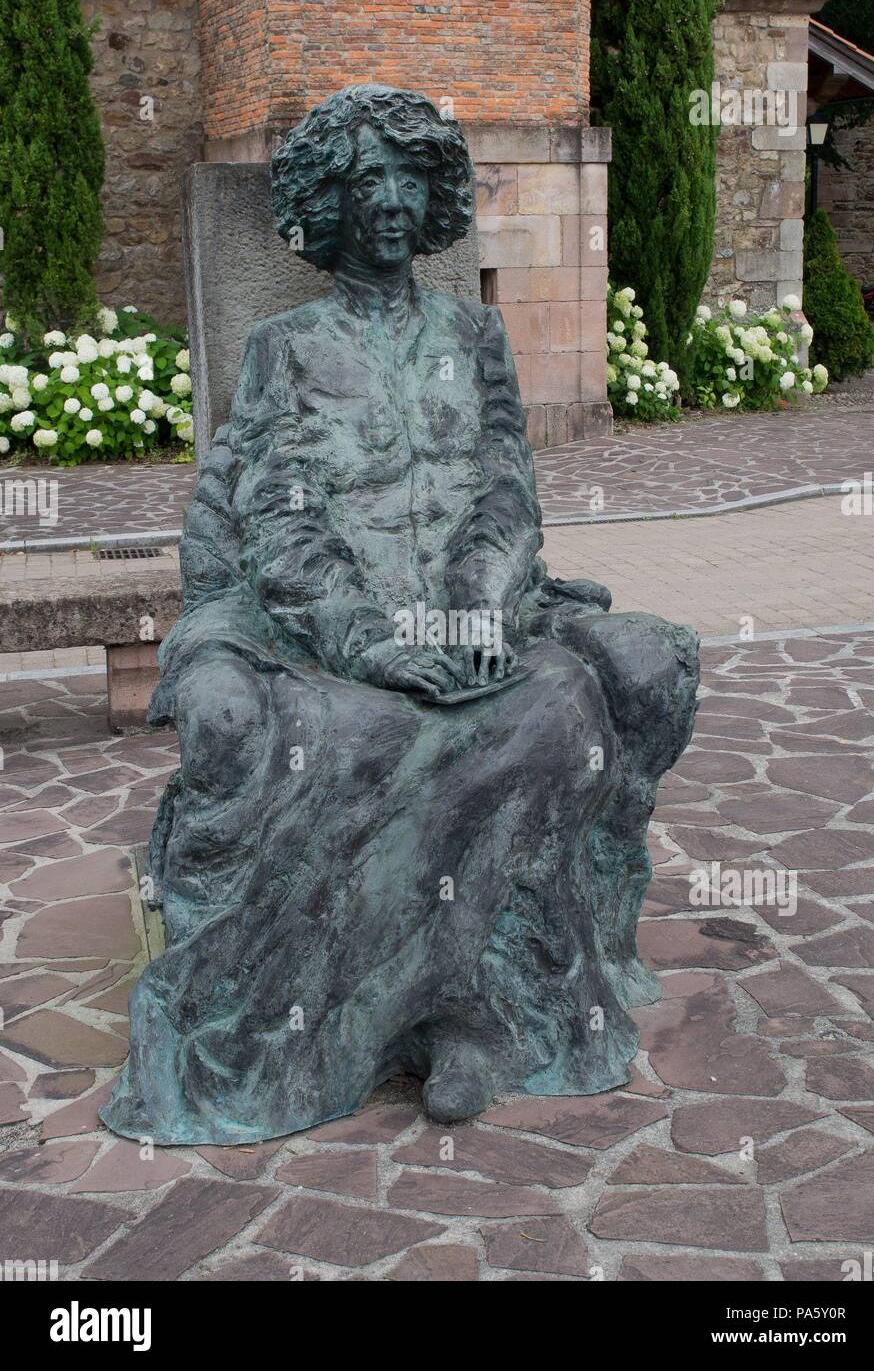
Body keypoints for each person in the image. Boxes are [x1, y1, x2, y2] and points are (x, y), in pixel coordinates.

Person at [101, 85, 698, 1146]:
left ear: (432, 199)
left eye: (407, 179)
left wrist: (473, 609)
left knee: (558, 705)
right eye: (364, 180)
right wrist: (375, 642)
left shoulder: (473, 333)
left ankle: (474, 1012)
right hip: (333, 633)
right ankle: (405, 1017)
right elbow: (277, 519)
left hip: (468, 622)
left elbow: (505, 489)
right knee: (356, 734)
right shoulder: (284, 347)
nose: (387, 200)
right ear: (329, 205)